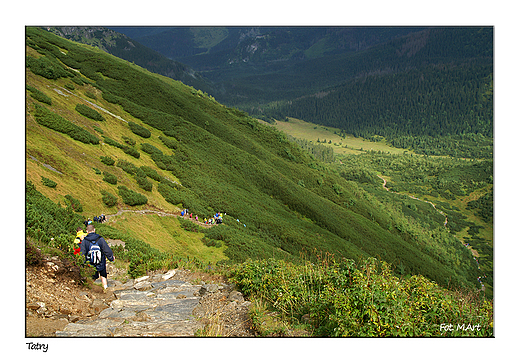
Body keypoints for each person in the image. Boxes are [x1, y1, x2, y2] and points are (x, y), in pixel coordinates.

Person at [80, 224, 115, 290]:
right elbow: (107, 250)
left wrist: (82, 263)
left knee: (92, 277)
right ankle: (105, 289)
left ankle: (91, 290)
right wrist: (111, 258)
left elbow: (83, 253)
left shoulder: (85, 241)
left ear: (87, 231)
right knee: (103, 275)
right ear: (94, 230)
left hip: (90, 262)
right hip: (101, 261)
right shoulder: (100, 239)